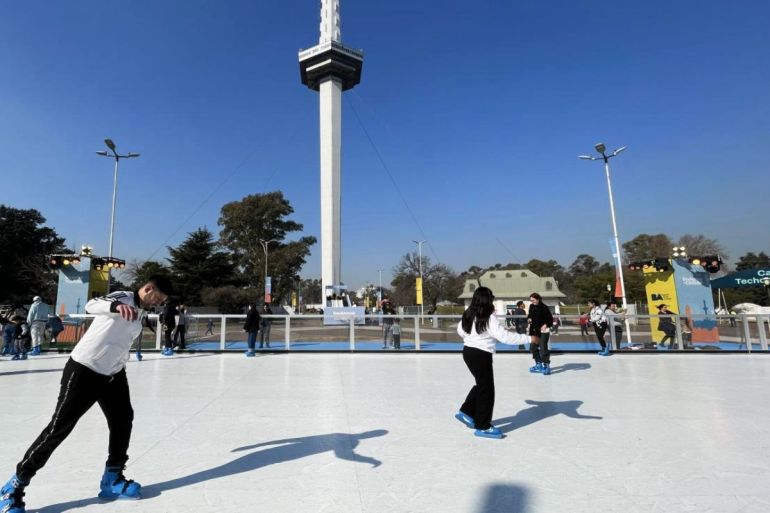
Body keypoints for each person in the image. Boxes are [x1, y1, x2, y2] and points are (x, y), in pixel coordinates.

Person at [0, 275, 172, 513]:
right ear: (148, 288)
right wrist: (116, 306)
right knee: (58, 428)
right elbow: (93, 304)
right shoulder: (123, 297)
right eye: (158, 298)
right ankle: (13, 486)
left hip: (113, 373)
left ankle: (112, 479)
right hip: (85, 370)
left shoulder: (142, 311)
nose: (158, 303)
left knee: (123, 420)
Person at [454, 287, 529, 439]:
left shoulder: (468, 313)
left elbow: (460, 331)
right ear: (487, 300)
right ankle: (482, 426)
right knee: (487, 390)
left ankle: (467, 411)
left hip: (468, 352)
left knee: (482, 385)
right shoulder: (488, 316)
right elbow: (505, 337)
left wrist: (472, 338)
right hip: (481, 354)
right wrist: (528, 338)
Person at [527, 293, 554, 374]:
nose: (532, 302)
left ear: (538, 299)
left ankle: (546, 365)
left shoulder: (544, 307)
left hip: (543, 331)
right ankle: (538, 364)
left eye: (533, 300)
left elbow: (550, 319)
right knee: (533, 348)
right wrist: (529, 319)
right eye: (531, 300)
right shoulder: (531, 306)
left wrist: (545, 325)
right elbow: (530, 315)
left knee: (543, 348)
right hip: (534, 331)